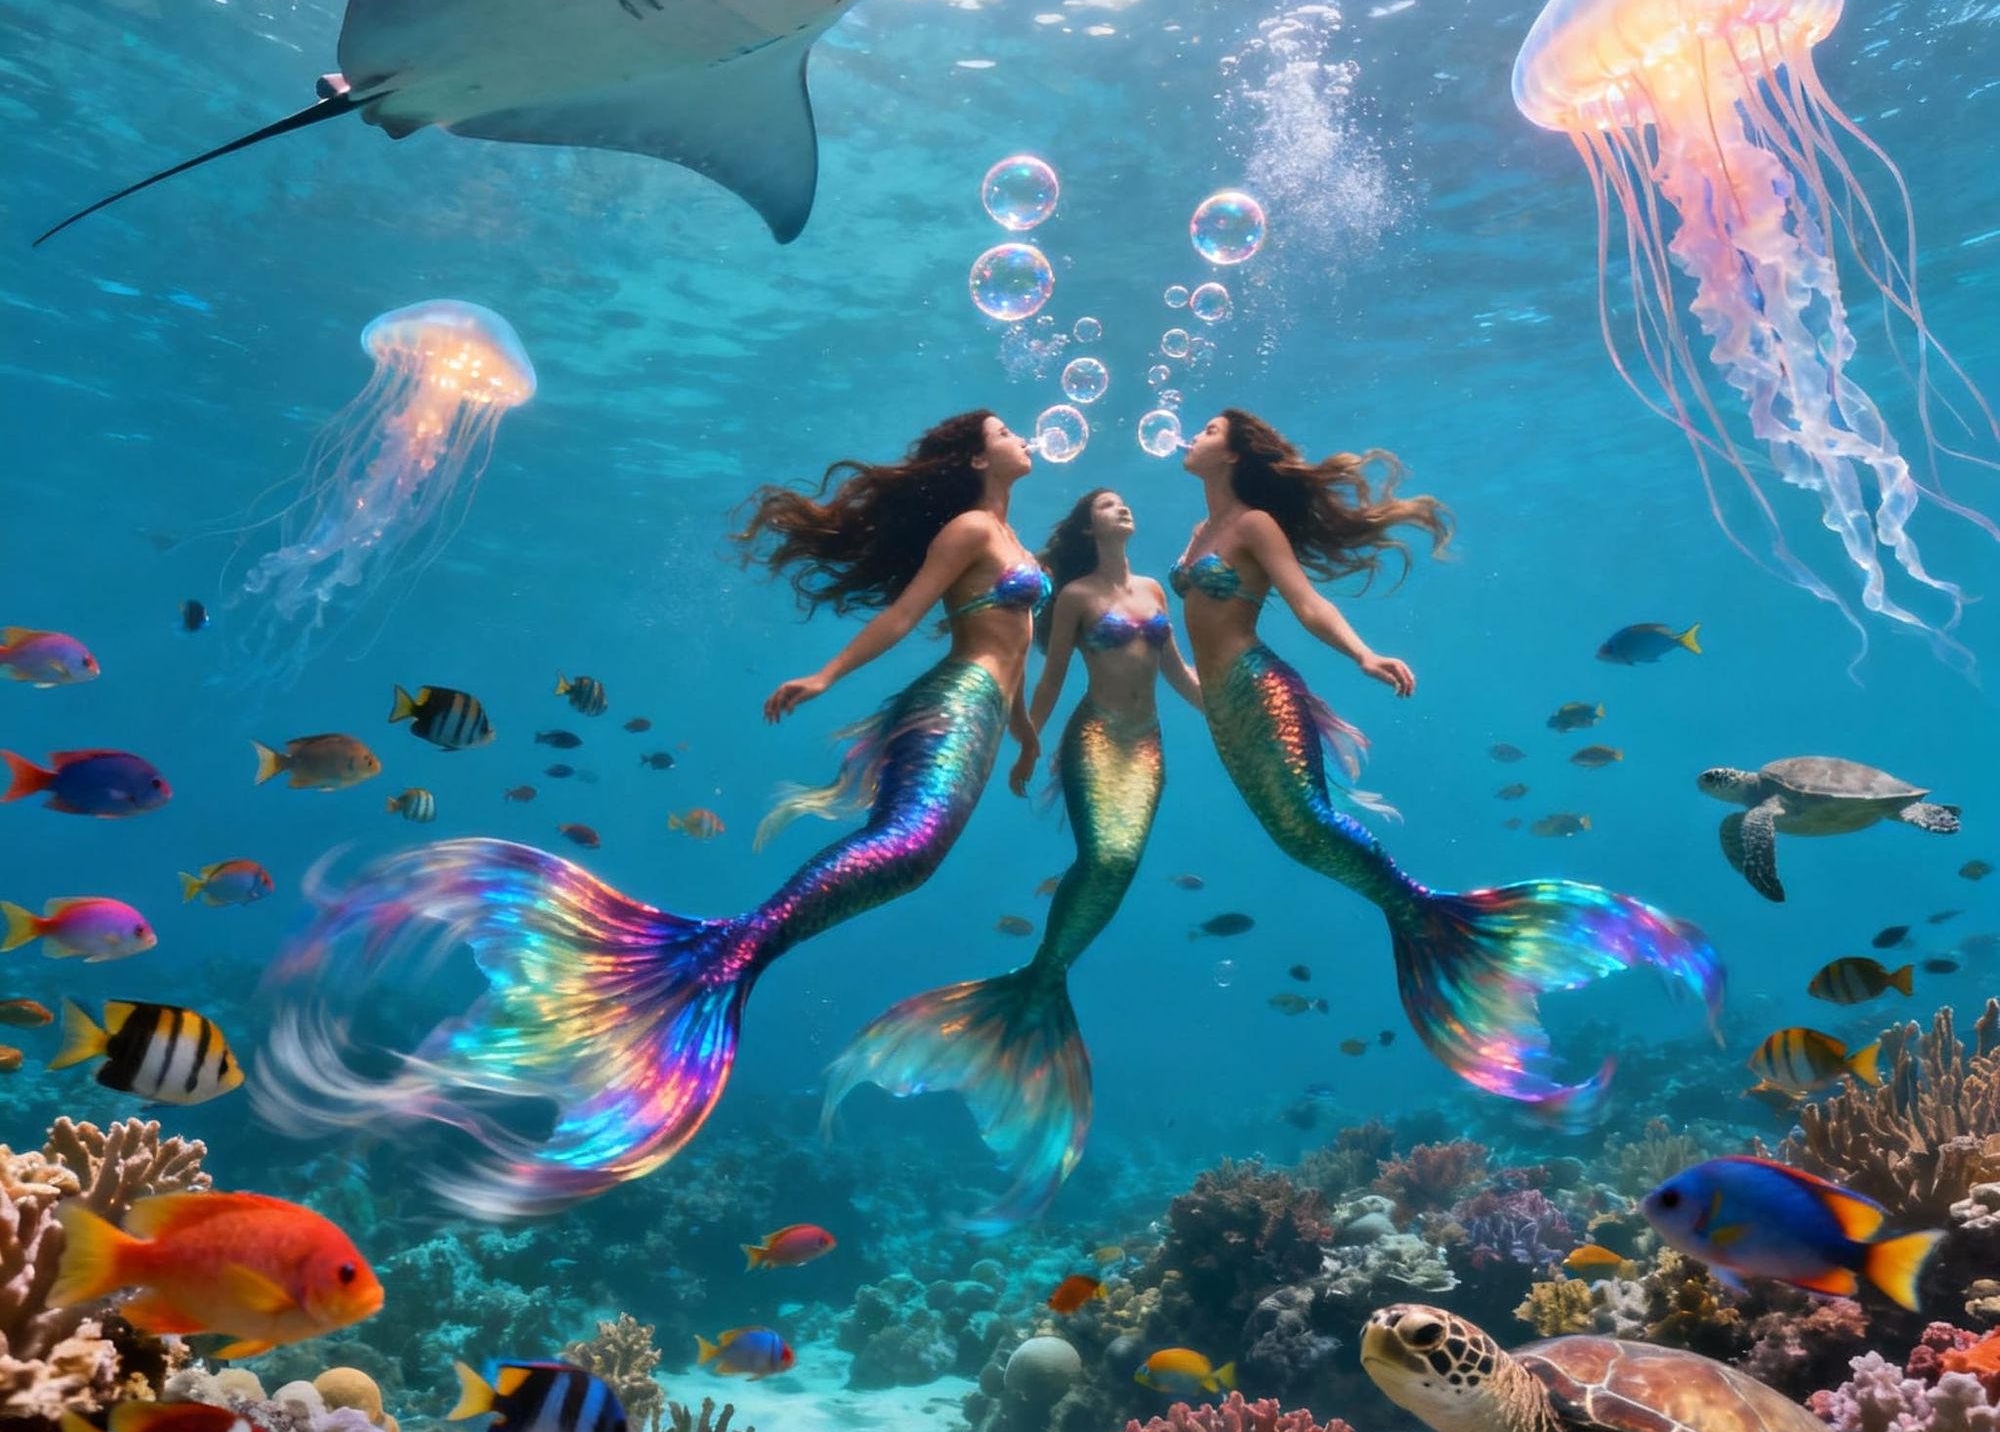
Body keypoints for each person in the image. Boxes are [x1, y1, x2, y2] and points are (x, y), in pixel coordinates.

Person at [258, 413, 1047, 1214]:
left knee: (914, 859)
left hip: (987, 715)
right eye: (1005, 429)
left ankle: (737, 951)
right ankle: (738, 949)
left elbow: (1019, 646)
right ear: (980, 456)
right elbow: (906, 616)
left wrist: (1023, 739)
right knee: (906, 849)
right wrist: (825, 675)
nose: (1023, 436)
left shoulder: (1018, 544)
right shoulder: (974, 526)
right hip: (955, 702)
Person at [1175, 409, 1722, 1108]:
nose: (1195, 435)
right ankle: (1426, 924)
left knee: (1306, 823)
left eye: (1209, 428)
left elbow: (1307, 604)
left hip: (1258, 690)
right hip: (1221, 702)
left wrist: (1365, 655)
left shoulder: (1253, 525)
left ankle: (1428, 917)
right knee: (1294, 838)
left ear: (1234, 453)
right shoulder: (1198, 535)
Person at [822, 486, 1200, 1227]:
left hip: (1148, 749)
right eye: (1109, 505)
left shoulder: (1154, 589)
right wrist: (1027, 742)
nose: (1124, 511)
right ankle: (1038, 983)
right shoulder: (1076, 596)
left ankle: (1040, 982)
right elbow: (1052, 676)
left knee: (1118, 869)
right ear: (1088, 524)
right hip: (1093, 740)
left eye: (1128, 504)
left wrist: (1226, 716)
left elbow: (1181, 674)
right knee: (1110, 854)